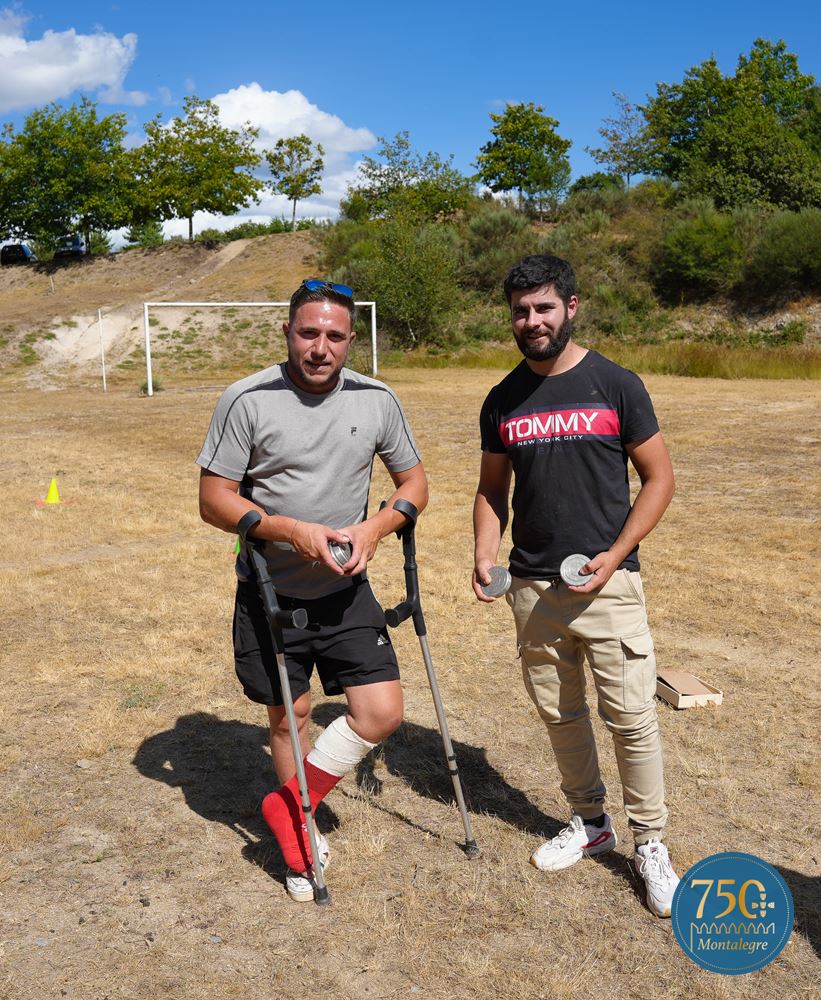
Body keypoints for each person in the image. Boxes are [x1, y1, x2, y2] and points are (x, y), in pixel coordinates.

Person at [197, 279, 428, 901]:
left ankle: (287, 804)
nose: (320, 347)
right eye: (308, 333)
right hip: (270, 591)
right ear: (288, 333)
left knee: (381, 712)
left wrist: (378, 527)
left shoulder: (377, 399)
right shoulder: (246, 399)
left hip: (347, 591)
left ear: (352, 340)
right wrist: (290, 531)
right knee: (291, 716)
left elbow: (414, 482)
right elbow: (214, 499)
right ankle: (299, 839)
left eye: (334, 336)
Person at [472, 255, 679, 917]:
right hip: (532, 590)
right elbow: (490, 490)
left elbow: (658, 479)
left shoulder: (614, 384)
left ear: (570, 306)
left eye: (543, 308)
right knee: (561, 717)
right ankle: (590, 823)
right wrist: (484, 553)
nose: (531, 321)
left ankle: (650, 844)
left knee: (632, 721)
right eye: (520, 311)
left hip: (608, 587)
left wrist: (616, 555)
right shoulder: (502, 398)